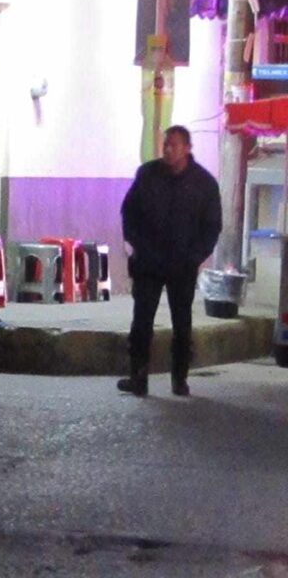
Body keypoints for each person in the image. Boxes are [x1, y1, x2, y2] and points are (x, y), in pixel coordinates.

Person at [118, 125, 221, 397]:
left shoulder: (204, 184)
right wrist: (135, 244)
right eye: (165, 144)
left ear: (187, 148)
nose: (167, 149)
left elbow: (212, 227)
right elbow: (129, 210)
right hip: (149, 262)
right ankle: (138, 377)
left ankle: (180, 377)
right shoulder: (148, 174)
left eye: (173, 144)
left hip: (182, 266)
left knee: (182, 323)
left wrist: (194, 257)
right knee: (141, 321)